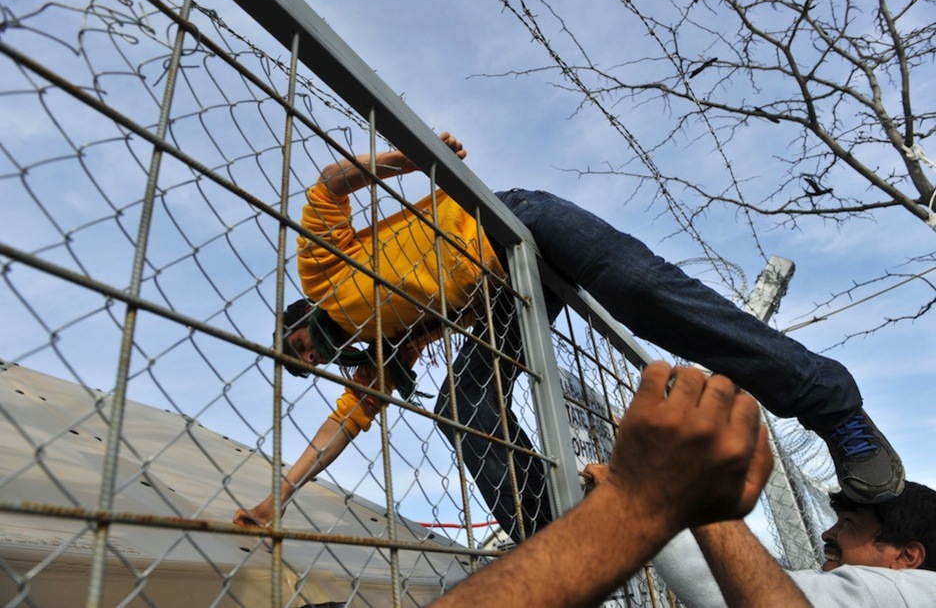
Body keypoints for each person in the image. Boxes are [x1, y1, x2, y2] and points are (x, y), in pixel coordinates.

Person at [233, 132, 904, 540]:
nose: (311, 355)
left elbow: (330, 186)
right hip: (509, 292)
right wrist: (278, 497)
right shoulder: (384, 353)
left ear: (293, 323)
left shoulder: (320, 272)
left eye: (297, 348)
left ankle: (833, 406)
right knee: (461, 407)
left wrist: (407, 158)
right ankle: (552, 528)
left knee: (643, 291)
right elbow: (336, 433)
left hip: (514, 222)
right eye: (306, 365)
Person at [431, 363, 812, 607]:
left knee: (463, 403)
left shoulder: (869, 591)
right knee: (463, 404)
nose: (828, 532)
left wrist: (634, 502)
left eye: (848, 521)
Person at [649, 481, 936, 606]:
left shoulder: (899, 595)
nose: (827, 534)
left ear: (907, 556)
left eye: (849, 523)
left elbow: (736, 592)